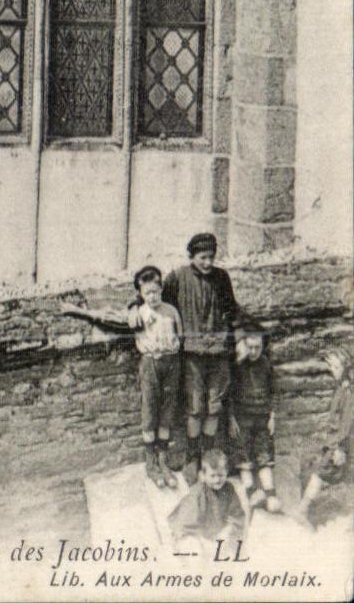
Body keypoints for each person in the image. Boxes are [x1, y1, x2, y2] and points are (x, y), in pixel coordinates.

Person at [162, 232, 241, 481]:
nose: (208, 262)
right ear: (192, 256)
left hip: (219, 353)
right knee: (195, 409)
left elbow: (231, 310)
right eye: (202, 257)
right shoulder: (177, 278)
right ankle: (192, 457)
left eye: (211, 257)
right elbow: (160, 306)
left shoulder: (222, 278)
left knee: (214, 408)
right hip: (192, 355)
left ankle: (208, 456)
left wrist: (238, 337)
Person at [127, 265, 182, 489]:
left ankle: (163, 460)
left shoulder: (171, 311)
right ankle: (151, 464)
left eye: (156, 291)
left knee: (167, 411)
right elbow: (132, 327)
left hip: (171, 362)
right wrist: (133, 309)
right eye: (147, 292)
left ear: (161, 290)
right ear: (140, 294)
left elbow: (180, 334)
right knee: (150, 411)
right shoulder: (139, 313)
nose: (152, 296)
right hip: (150, 362)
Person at [296, 348, 353, 528]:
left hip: (343, 443)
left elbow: (347, 423)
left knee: (323, 471)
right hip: (335, 441)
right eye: (332, 366)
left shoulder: (349, 392)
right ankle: (305, 510)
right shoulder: (341, 388)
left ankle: (303, 510)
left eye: (336, 367)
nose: (333, 370)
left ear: (346, 368)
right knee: (322, 470)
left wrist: (339, 448)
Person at [230, 320, 281, 513]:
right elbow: (228, 395)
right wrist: (231, 418)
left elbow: (274, 391)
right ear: (243, 345)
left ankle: (271, 494)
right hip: (242, 418)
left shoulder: (266, 365)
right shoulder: (236, 367)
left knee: (264, 454)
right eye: (250, 347)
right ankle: (252, 492)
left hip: (261, 417)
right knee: (243, 456)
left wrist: (272, 416)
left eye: (257, 347)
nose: (253, 351)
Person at [168, 447, 246, 548]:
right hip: (195, 533)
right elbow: (186, 523)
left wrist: (229, 531)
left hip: (218, 533)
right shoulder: (197, 493)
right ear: (203, 475)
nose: (217, 480)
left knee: (233, 544)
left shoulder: (229, 489)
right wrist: (202, 540)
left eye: (221, 475)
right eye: (212, 476)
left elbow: (237, 515)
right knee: (191, 546)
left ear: (226, 472)